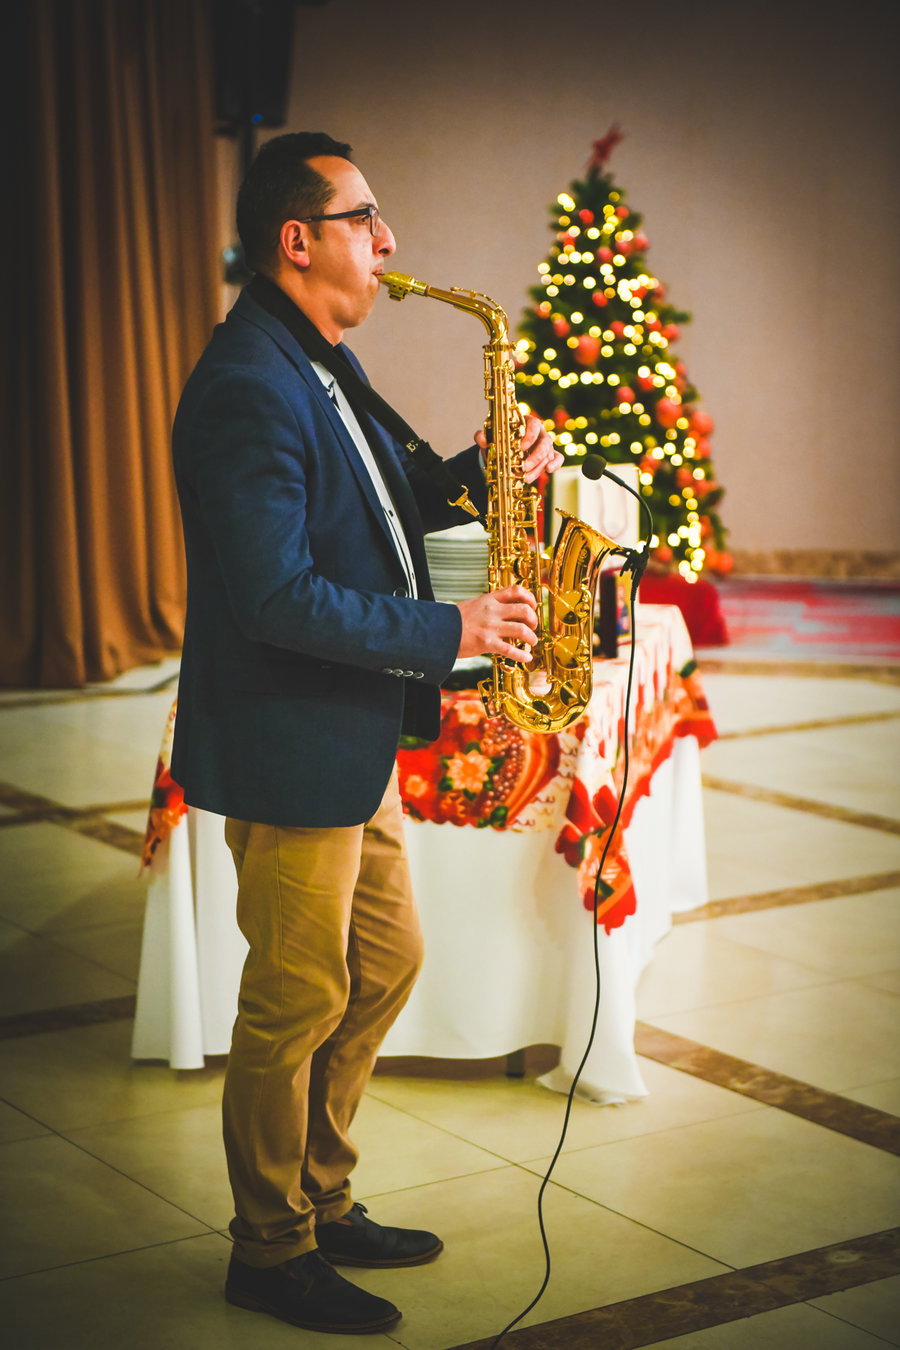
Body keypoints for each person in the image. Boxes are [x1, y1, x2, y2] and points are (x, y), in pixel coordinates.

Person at [171, 131, 562, 1336]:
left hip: (345, 734)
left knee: (383, 964)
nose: (389, 243)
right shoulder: (250, 382)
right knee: (293, 1000)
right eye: (365, 218)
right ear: (299, 240)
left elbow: (382, 513)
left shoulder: (319, 359)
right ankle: (269, 1246)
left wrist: (481, 469)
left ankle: (321, 1196)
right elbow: (275, 597)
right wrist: (454, 629)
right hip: (291, 742)